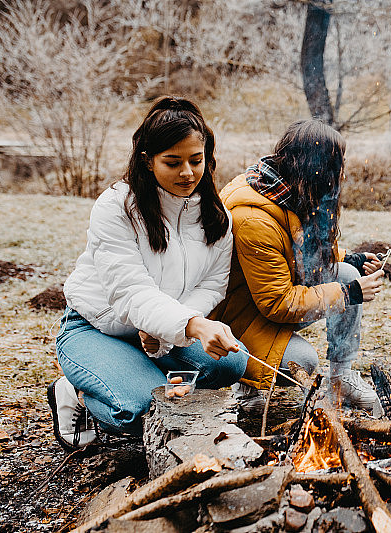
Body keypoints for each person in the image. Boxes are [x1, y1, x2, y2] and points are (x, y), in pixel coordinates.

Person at [49, 96, 248, 451]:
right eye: (173, 162)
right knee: (145, 406)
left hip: (161, 334)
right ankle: (75, 391)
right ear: (148, 160)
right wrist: (192, 325)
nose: (187, 173)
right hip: (95, 327)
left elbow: (212, 284)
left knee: (232, 362)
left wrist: (169, 330)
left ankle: (137, 374)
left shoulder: (216, 216)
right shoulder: (116, 207)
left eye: (196, 160)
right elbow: (130, 293)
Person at [210, 119, 385, 416]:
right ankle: (247, 386)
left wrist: (348, 258)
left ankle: (341, 378)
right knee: (302, 361)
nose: (340, 175)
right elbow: (277, 303)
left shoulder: (284, 189)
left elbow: (294, 246)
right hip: (237, 320)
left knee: (346, 274)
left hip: (261, 299)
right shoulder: (253, 218)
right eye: (335, 166)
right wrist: (348, 294)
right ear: (314, 168)